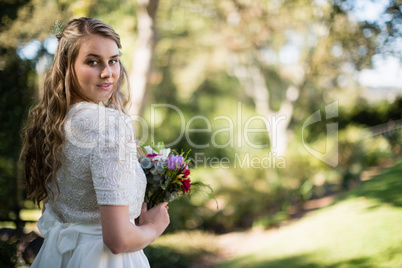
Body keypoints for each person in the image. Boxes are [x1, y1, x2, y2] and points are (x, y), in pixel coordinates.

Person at [20, 17, 170, 267]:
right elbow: (118, 240)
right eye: (93, 61)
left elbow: (54, 212)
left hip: (59, 257)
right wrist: (154, 227)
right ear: (68, 66)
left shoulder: (52, 125)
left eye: (113, 60)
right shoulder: (108, 125)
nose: (107, 72)